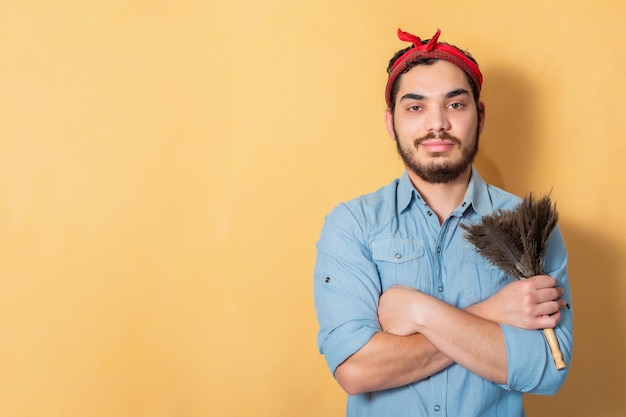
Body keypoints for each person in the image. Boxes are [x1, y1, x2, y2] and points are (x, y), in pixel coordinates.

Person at [313, 28, 573, 417]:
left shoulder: (530, 227)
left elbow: (545, 369)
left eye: (454, 105)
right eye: (415, 107)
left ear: (479, 116)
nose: (437, 125)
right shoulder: (352, 225)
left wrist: (417, 312)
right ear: (391, 122)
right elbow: (357, 369)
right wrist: (493, 312)